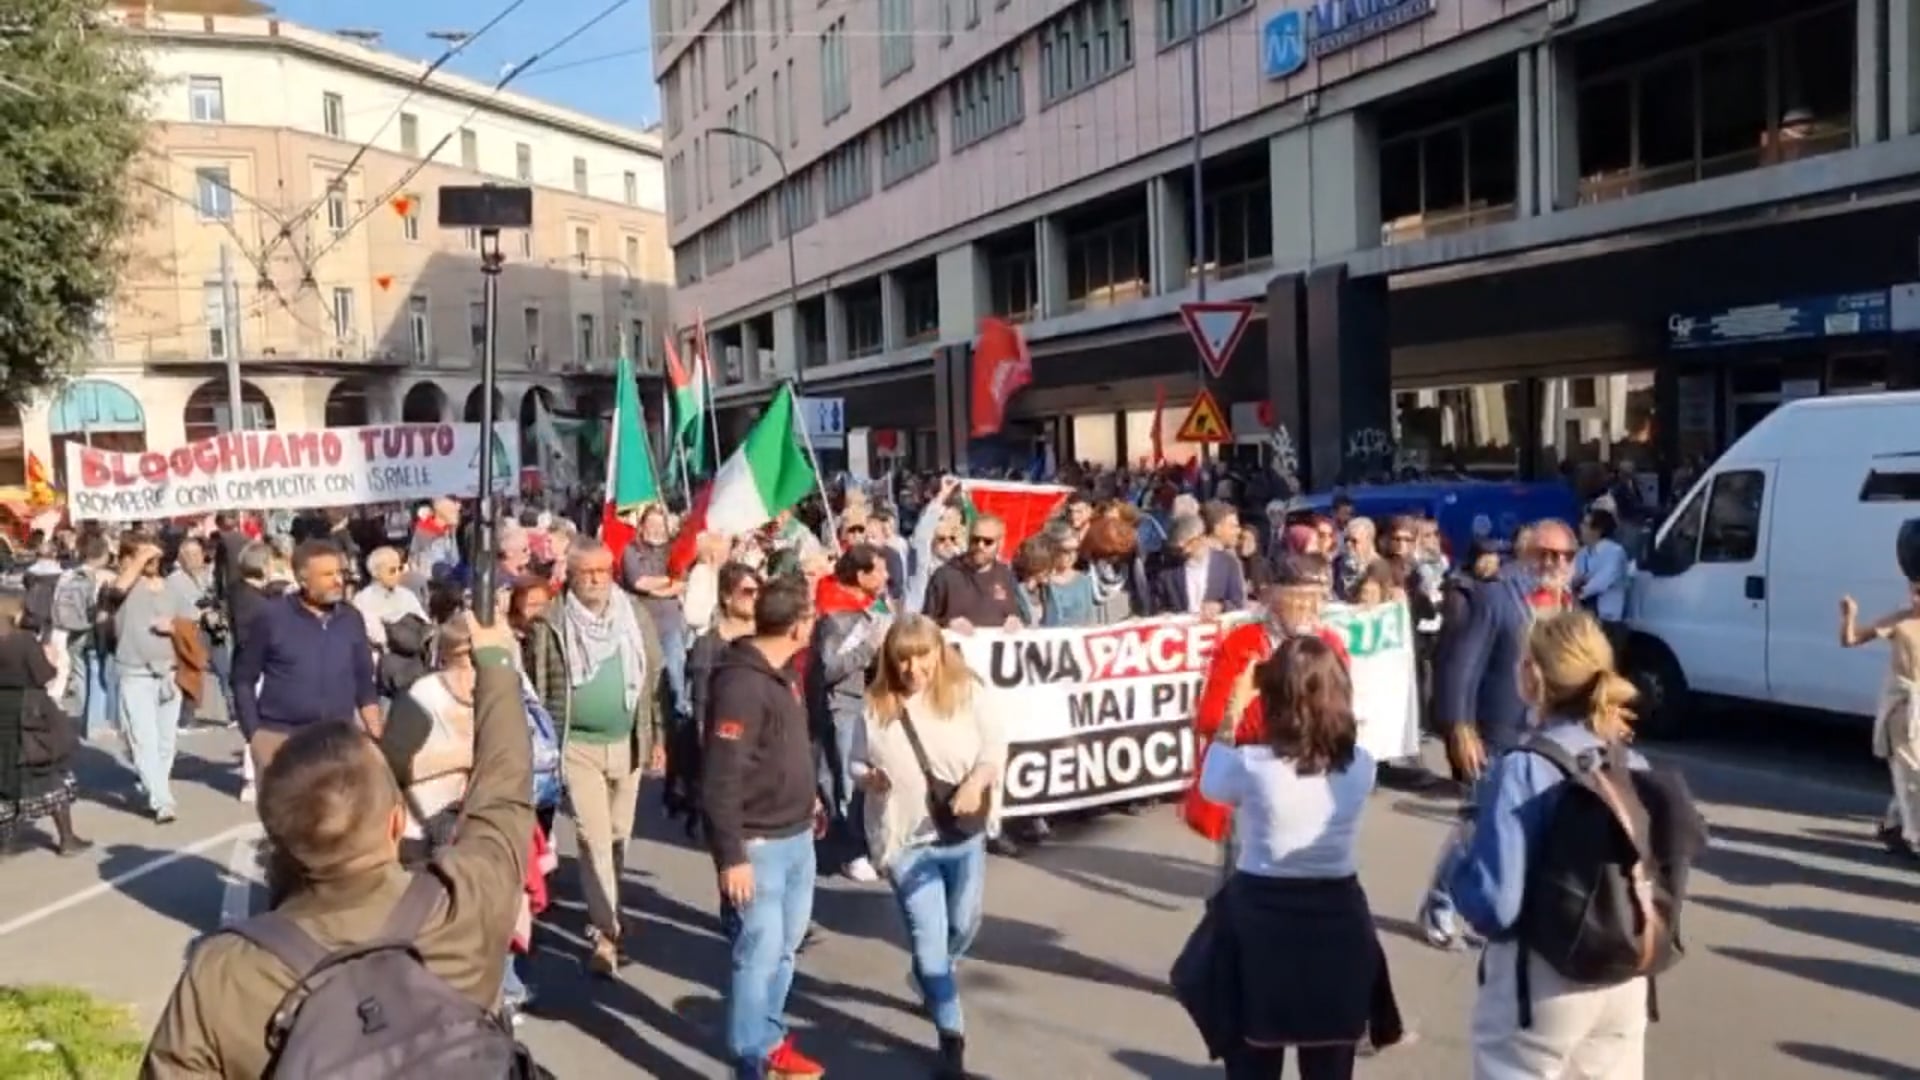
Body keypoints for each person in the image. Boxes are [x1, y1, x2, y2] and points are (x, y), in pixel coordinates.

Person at [143, 610, 532, 1075]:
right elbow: (503, 794)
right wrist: (495, 662)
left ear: (276, 836)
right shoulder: (462, 905)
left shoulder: (225, 974)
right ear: (395, 824)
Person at [1446, 611, 1682, 1078]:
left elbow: (1496, 905)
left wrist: (1457, 865)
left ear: (1532, 675)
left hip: (1542, 978)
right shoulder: (1628, 758)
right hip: (1624, 976)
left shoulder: (1523, 767)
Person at [1188, 636, 1385, 1080]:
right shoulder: (1362, 765)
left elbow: (1211, 783)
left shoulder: (1251, 766)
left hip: (1261, 920)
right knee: (1330, 1062)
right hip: (1338, 918)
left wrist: (1233, 710)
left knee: (1253, 1059)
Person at [850, 615, 1005, 1079]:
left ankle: (928, 977)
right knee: (929, 939)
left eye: (922, 656)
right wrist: (868, 778)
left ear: (940, 653)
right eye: (903, 659)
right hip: (906, 844)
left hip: (961, 835)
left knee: (964, 922)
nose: (914, 668)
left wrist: (978, 781)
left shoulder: (967, 691)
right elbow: (856, 761)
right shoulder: (875, 705)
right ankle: (951, 1033)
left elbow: (994, 745)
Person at [1423, 520, 1580, 948]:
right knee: (1477, 826)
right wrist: (1459, 726)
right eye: (1545, 553)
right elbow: (1461, 664)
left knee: (1524, 829)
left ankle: (1502, 909)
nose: (1554, 563)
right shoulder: (1497, 597)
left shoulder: (1569, 603)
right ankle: (1440, 905)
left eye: (1564, 555)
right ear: (1524, 553)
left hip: (1548, 737)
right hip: (1495, 729)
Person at [702, 575, 827, 1080]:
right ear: (798, 625)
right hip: (757, 845)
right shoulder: (742, 685)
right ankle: (749, 1057)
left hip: (797, 835)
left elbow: (785, 748)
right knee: (758, 955)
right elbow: (721, 776)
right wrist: (731, 856)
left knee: (785, 950)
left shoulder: (785, 673)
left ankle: (770, 1040)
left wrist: (810, 796)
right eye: (811, 617)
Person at [522, 539, 666, 977]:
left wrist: (658, 735)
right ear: (570, 575)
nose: (596, 580)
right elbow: (537, 686)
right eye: (586, 572)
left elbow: (653, 678)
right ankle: (606, 933)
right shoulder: (551, 623)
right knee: (594, 839)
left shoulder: (634, 615)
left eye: (603, 571)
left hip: (628, 743)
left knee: (620, 836)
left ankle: (611, 906)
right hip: (578, 746)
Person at [231, 540, 381, 781]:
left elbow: (364, 681)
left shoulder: (351, 619)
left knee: (338, 816)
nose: (338, 581)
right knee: (294, 817)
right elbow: (242, 678)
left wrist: (375, 734)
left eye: (339, 573)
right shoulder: (272, 617)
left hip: (338, 740)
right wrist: (255, 736)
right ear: (302, 579)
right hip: (283, 739)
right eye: (327, 574)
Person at [809, 544, 893, 883]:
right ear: (861, 576)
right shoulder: (836, 613)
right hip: (843, 705)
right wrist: (870, 647)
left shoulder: (872, 606)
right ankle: (849, 851)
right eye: (880, 570)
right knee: (847, 780)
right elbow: (830, 668)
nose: (887, 576)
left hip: (867, 701)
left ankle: (866, 844)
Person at [673, 562, 762, 838]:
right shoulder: (708, 645)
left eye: (759, 592)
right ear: (726, 596)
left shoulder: (766, 640)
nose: (755, 598)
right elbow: (701, 700)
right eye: (747, 592)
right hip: (725, 737)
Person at [108, 532, 189, 824]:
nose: (152, 562)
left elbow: (192, 623)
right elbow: (115, 593)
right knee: (144, 739)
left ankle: (157, 785)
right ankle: (161, 799)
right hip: (135, 673)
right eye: (144, 557)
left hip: (168, 672)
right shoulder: (121, 587)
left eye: (155, 557)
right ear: (127, 559)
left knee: (166, 741)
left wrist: (175, 628)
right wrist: (140, 556)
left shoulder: (170, 588)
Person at [0, 593, 89, 855]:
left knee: (5, 775)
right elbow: (44, 675)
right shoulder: (22, 641)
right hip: (31, 711)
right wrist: (50, 659)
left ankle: (4, 842)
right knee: (48, 771)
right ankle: (67, 838)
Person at [1841, 573, 1920, 858]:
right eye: (1914, 590)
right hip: (1903, 709)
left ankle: (1894, 826)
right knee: (1913, 774)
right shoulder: (1899, 621)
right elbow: (1850, 640)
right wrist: (1849, 616)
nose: (1915, 597)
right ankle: (1916, 837)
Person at [921, 514, 1023, 633]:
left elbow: (1015, 614)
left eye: (987, 542)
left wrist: (1015, 620)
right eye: (975, 540)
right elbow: (925, 623)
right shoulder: (945, 575)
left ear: (1000, 543)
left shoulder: (1006, 575)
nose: (980, 546)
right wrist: (947, 623)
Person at [1149, 514, 1247, 618]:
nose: (1186, 551)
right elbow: (1158, 607)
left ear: (1201, 538)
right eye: (1178, 549)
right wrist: (1164, 615)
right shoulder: (1168, 572)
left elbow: (1239, 604)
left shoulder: (1228, 564)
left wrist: (1220, 606)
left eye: (1188, 544)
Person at [354, 546, 430, 654]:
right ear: (376, 573)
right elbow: (376, 636)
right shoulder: (363, 599)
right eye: (392, 571)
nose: (398, 574)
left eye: (400, 569)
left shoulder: (406, 594)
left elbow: (424, 622)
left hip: (415, 652)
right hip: (384, 657)